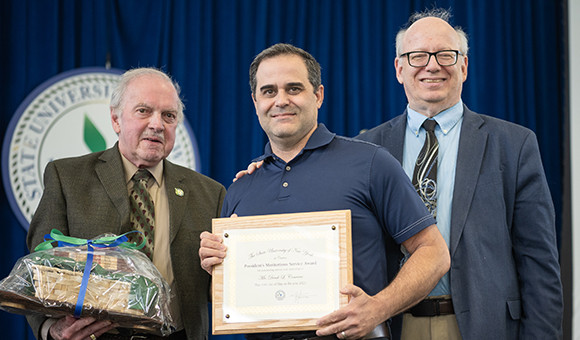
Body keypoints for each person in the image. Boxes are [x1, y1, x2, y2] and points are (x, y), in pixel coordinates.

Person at [199, 43, 450, 340]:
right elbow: (231, 302)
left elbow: (434, 253)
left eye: (294, 89)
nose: (281, 100)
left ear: (318, 95)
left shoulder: (371, 163)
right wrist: (215, 266)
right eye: (269, 91)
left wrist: (377, 309)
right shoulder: (242, 187)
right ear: (255, 102)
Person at [355, 8, 563, 340]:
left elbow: (538, 263)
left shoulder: (514, 144)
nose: (432, 65)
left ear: (463, 66)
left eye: (445, 55)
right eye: (417, 56)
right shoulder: (364, 149)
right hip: (392, 327)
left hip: (483, 328)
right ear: (399, 68)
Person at [26, 68, 226, 340]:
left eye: (168, 115)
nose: (157, 124)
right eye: (144, 111)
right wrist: (51, 329)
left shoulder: (210, 193)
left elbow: (221, 288)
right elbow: (38, 270)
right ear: (115, 119)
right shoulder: (67, 178)